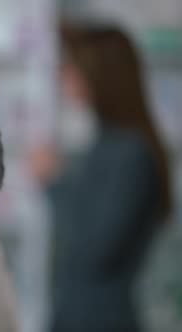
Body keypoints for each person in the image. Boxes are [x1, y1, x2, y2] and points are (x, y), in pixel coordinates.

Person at [30, 21, 173, 332]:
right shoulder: (105, 144)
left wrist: (53, 182)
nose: (64, 76)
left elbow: (94, 251)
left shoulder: (130, 153)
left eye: (72, 67)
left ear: (100, 76)